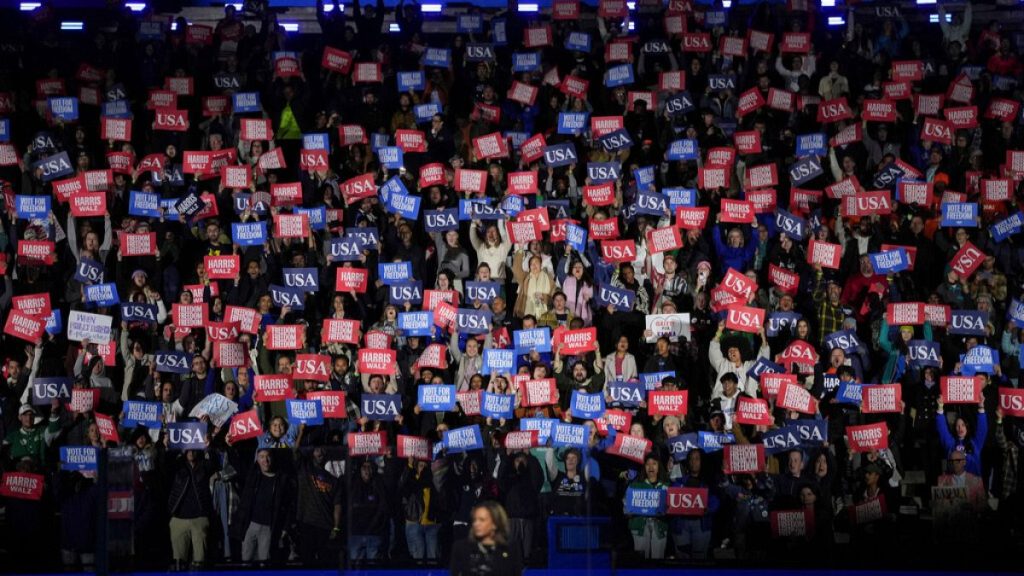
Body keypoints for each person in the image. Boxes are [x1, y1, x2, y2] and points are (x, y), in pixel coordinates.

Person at [449, 502, 524, 576]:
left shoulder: (511, 549)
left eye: (482, 520)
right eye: (475, 520)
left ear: (495, 523)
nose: (476, 524)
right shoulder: (461, 548)